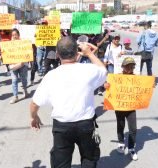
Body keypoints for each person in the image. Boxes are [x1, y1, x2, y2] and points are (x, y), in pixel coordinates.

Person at [30, 36, 107, 167]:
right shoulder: (89, 70)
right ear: (77, 52)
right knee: (89, 158)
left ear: (57, 54)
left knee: (61, 162)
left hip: (62, 127)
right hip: (86, 125)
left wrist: (34, 116)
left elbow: (34, 103)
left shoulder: (51, 75)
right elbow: (103, 70)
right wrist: (89, 54)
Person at [104, 57, 138, 161]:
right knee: (121, 125)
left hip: (131, 108)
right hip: (119, 106)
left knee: (133, 129)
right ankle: (121, 143)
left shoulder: (137, 78)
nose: (129, 68)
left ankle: (131, 147)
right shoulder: (117, 77)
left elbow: (142, 90)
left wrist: (150, 85)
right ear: (123, 67)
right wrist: (106, 86)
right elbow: (107, 87)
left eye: (132, 66)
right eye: (127, 66)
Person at [9, 28, 29, 104]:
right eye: (13, 35)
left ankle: (25, 91)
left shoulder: (23, 43)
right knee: (14, 80)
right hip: (13, 65)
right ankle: (15, 97)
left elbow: (27, 52)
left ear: (18, 35)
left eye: (15, 34)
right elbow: (7, 54)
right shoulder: (9, 44)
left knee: (23, 79)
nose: (14, 36)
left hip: (22, 64)